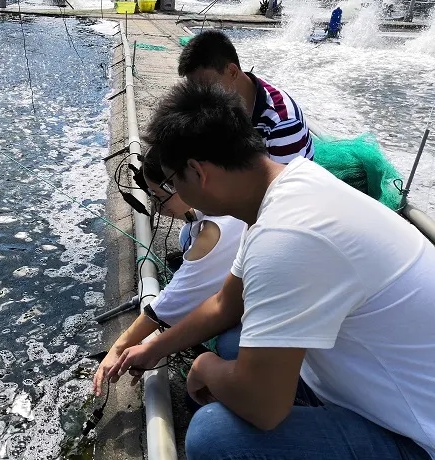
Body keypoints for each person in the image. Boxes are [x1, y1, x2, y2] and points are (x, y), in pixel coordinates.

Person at [108, 81, 435, 460]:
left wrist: (204, 366)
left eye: (170, 181)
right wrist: (153, 347)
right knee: (233, 344)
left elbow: (264, 407)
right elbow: (225, 305)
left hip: (416, 433)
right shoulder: (291, 184)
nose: (170, 195)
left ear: (198, 172)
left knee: (214, 435)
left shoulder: (285, 236)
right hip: (382, 382)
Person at [93, 144, 246, 397]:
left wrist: (118, 349)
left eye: (157, 195)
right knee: (187, 232)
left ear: (180, 182)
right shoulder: (231, 192)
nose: (156, 205)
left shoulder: (213, 234)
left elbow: (166, 306)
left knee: (229, 345)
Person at [179, 30, 313, 164]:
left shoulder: (282, 123)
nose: (200, 95)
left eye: (206, 86)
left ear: (232, 72)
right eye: (194, 88)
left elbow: (286, 183)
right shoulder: (218, 101)